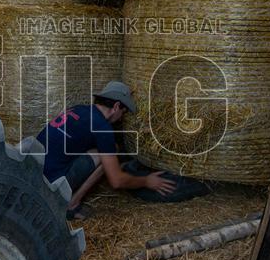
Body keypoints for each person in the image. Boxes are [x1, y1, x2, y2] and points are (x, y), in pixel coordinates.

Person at [36, 80, 177, 219]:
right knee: (110, 152)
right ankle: (72, 204)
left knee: (105, 150)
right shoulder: (102, 127)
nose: (121, 118)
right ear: (116, 106)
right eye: (123, 112)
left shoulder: (78, 109)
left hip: (33, 176)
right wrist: (146, 181)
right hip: (50, 187)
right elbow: (116, 181)